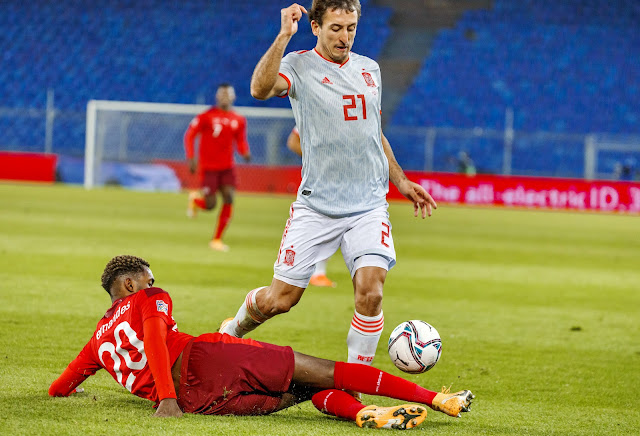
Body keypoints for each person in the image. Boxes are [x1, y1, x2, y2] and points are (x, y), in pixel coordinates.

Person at [220, 0, 438, 374]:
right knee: (281, 299)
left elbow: (374, 132)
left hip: (368, 205)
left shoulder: (370, 68)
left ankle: (358, 381)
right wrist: (283, 36)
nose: (345, 36)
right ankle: (231, 331)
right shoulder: (298, 66)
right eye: (336, 27)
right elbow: (259, 89)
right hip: (316, 206)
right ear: (316, 27)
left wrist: (399, 179)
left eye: (351, 27)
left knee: (371, 292)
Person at [49, 255, 474, 429]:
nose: (153, 283)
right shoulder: (148, 299)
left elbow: (59, 386)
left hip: (202, 401)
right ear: (129, 283)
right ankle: (438, 398)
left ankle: (366, 414)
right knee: (327, 371)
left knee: (306, 391)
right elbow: (158, 343)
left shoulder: (97, 341)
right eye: (147, 277)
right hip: (208, 361)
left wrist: (75, 390)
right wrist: (165, 398)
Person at [183, 83, 251, 252]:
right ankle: (195, 200)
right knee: (211, 204)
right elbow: (190, 135)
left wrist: (245, 152)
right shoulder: (206, 116)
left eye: (228, 94)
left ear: (233, 97)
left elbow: (240, 140)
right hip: (208, 167)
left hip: (227, 167)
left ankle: (217, 239)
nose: (225, 97)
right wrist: (191, 157)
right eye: (222, 94)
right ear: (217, 96)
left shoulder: (239, 120)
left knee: (229, 197)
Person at [287, 126, 336, 288]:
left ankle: (312, 271)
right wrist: (316, 158)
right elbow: (293, 142)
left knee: (331, 224)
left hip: (340, 179)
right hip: (321, 180)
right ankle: (315, 272)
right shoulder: (312, 113)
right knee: (326, 223)